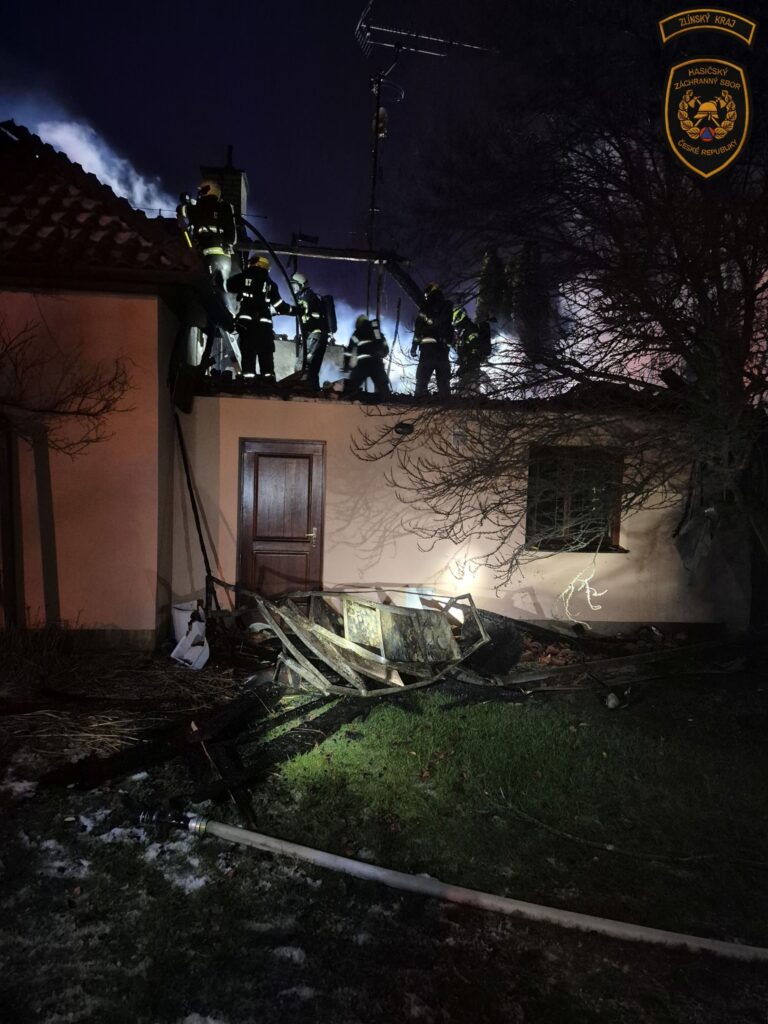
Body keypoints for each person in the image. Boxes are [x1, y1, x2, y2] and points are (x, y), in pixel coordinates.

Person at [177, 179, 239, 374]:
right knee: (220, 294)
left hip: (204, 259)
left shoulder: (197, 207)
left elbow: (182, 212)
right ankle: (227, 320)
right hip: (223, 259)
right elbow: (232, 238)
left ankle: (223, 321)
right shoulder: (225, 207)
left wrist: (184, 203)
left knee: (208, 297)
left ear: (207, 190)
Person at [227, 255, 296, 379]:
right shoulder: (270, 284)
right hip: (264, 328)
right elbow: (280, 306)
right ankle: (267, 381)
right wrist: (295, 310)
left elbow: (228, 286)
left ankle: (249, 381)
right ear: (265, 267)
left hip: (246, 327)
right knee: (266, 356)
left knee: (248, 356)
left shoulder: (243, 277)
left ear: (253, 264)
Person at [411, 282, 452, 399]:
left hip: (428, 349)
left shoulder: (426, 305)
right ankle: (447, 405)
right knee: (444, 382)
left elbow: (418, 327)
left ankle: (418, 402)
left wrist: (414, 346)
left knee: (422, 379)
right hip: (443, 349)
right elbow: (449, 328)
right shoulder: (447, 306)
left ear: (429, 292)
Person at [290, 272, 330, 390]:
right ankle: (313, 390)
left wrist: (282, 310)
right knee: (312, 368)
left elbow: (302, 312)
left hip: (315, 335)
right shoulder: (310, 296)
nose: (293, 289)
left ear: (301, 285)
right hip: (318, 336)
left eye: (295, 285)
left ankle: (303, 389)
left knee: (303, 365)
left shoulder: (307, 297)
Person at [343, 314, 391, 398]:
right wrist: (381, 355)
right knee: (383, 386)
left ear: (358, 323)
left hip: (363, 363)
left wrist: (347, 365)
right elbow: (385, 348)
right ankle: (389, 402)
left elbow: (349, 351)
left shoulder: (357, 333)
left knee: (353, 385)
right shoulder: (377, 331)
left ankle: (343, 400)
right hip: (376, 362)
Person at [452, 306, 491, 394]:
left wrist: (467, 360)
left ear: (458, 317)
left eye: (454, 318)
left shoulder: (469, 327)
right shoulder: (462, 329)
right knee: (465, 390)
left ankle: (477, 400)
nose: (453, 321)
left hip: (471, 364)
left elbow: (475, 345)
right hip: (466, 365)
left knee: (470, 389)